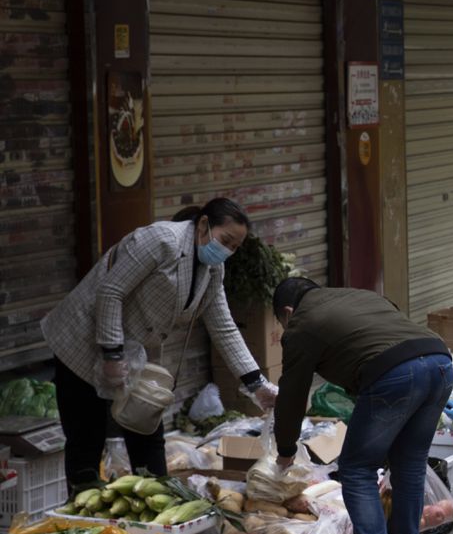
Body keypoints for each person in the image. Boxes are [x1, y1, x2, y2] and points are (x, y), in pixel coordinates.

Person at [41, 198, 277, 486]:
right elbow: (111, 291)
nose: (227, 251)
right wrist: (111, 354)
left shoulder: (213, 269)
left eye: (234, 247)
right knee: (86, 437)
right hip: (82, 340)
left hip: (134, 351)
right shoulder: (160, 240)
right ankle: (83, 507)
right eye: (225, 240)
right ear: (204, 224)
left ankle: (157, 500)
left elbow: (223, 327)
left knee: (147, 431)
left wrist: (256, 384)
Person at [271, 278, 452, 534]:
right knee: (409, 463)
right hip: (439, 360)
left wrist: (285, 450)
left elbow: (292, 394)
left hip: (396, 373)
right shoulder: (358, 295)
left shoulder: (301, 323)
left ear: (287, 311)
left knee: (357, 467)